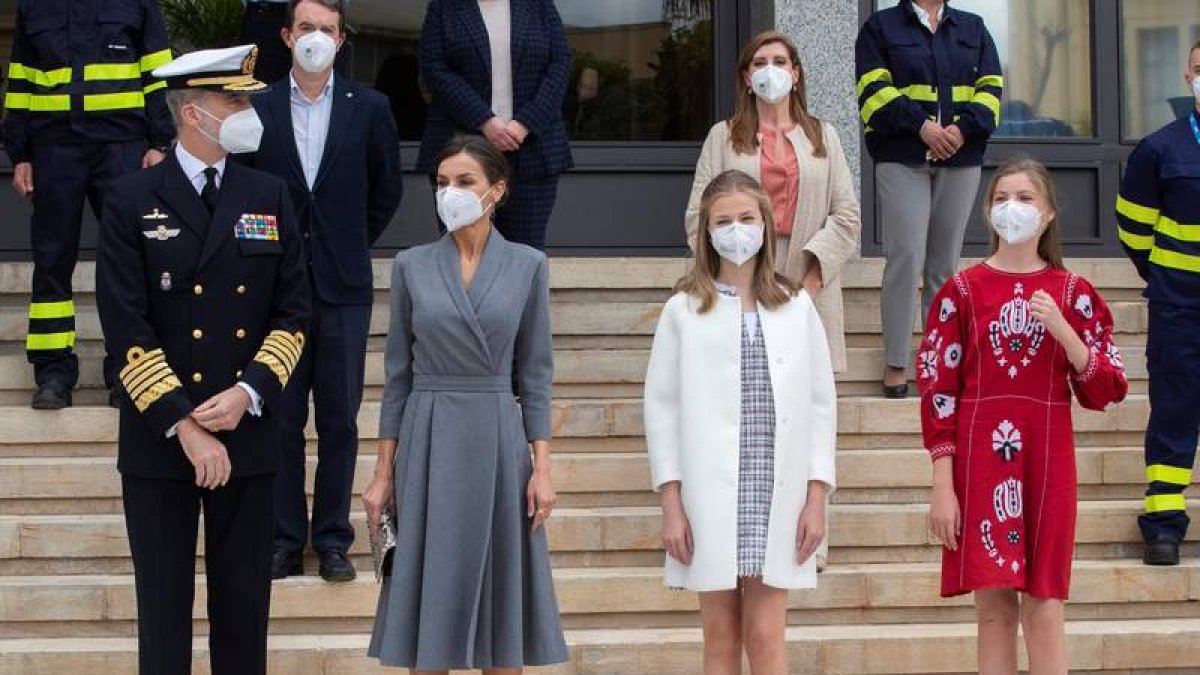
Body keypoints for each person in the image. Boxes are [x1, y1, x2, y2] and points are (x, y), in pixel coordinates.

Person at [95, 45, 310, 674]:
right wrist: (186, 426)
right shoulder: (131, 199)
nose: (248, 110)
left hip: (246, 434)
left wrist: (249, 393)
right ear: (193, 113)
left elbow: (294, 313)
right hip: (163, 441)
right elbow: (125, 326)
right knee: (163, 618)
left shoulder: (268, 193)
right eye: (234, 100)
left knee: (244, 616)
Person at [363, 135, 567, 671]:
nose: (449, 193)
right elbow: (397, 377)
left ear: (496, 190)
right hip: (428, 441)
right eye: (441, 183)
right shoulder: (411, 265)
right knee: (429, 612)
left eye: (464, 182)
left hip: (498, 439)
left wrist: (542, 467)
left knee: (504, 618)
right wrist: (383, 472)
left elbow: (537, 376)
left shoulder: (528, 265)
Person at [920, 158, 1127, 674]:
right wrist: (942, 484)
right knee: (992, 609)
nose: (1012, 208)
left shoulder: (1074, 294)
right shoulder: (960, 293)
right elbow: (938, 391)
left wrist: (1063, 330)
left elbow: (1107, 389)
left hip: (1048, 462)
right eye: (1001, 198)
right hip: (977, 461)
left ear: (1049, 213)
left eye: (1026, 198)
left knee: (1045, 603)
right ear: (988, 211)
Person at [646, 170, 836, 674]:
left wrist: (817, 498)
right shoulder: (683, 311)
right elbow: (661, 410)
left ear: (767, 224)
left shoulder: (796, 307)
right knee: (721, 637)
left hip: (778, 492)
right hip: (710, 496)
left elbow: (821, 407)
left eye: (746, 218)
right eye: (723, 221)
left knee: (766, 635)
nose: (736, 230)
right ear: (706, 233)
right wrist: (671, 504)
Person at [242, 0, 403, 584]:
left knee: (338, 418)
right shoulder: (256, 108)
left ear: (341, 40)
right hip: (276, 291)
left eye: (327, 29)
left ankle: (333, 538)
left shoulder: (372, 109)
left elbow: (385, 191)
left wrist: (347, 239)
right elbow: (245, 191)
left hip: (342, 288)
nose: (316, 37)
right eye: (305, 27)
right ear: (287, 36)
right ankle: (285, 539)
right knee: (281, 418)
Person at [4, 0, 175, 409]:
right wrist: (20, 153)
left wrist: (159, 142)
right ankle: (53, 373)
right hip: (54, 149)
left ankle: (128, 370)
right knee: (51, 262)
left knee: (128, 262)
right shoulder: (33, 7)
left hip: (122, 148)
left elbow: (156, 74)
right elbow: (21, 82)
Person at [686, 30, 861, 375]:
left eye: (779, 62)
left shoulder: (823, 135)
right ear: (747, 78)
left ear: (795, 75)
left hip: (808, 276)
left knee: (804, 394)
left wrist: (808, 287)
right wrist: (731, 282)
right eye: (760, 63)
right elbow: (697, 216)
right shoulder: (722, 137)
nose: (771, 70)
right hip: (737, 279)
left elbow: (847, 216)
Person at [855, 0, 1003, 398]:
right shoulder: (881, 28)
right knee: (906, 256)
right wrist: (921, 127)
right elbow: (873, 92)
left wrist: (961, 131)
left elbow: (991, 91)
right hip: (902, 156)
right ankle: (897, 361)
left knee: (943, 265)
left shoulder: (974, 28)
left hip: (961, 156)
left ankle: (939, 361)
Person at [1117, 41, 1200, 567]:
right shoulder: (1159, 149)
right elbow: (1132, 228)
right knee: (1174, 412)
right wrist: (1167, 273)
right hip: (1180, 309)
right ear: (1188, 73)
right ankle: (1164, 524)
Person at [417, 0, 573, 250]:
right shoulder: (445, 7)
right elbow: (434, 67)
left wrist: (525, 122)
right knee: (464, 251)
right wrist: (485, 121)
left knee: (523, 256)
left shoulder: (539, 5)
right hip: (462, 150)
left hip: (531, 152)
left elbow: (560, 64)